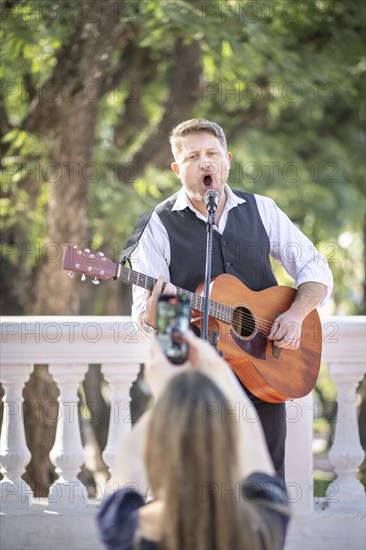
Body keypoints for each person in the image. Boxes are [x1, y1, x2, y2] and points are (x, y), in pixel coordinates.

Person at [130, 118, 333, 479]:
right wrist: (160, 312)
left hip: (265, 369)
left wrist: (296, 315)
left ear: (227, 160)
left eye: (212, 153)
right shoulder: (156, 225)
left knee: (266, 482)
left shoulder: (262, 210)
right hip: (197, 381)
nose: (205, 162)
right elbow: (147, 318)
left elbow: (314, 268)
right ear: (178, 169)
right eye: (193, 156)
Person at [97, 331, 291, 550]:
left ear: (162, 450)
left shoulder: (124, 528)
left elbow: (130, 456)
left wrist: (168, 392)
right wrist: (219, 370)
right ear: (227, 447)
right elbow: (251, 435)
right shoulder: (266, 523)